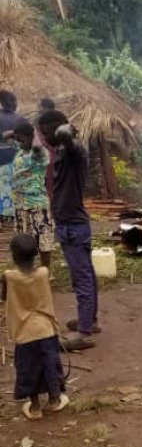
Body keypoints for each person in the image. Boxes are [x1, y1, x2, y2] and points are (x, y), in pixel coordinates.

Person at [37, 108, 99, 349]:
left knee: (81, 277)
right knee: (86, 275)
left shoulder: (74, 150)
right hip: (69, 224)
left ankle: (84, 333)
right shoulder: (64, 151)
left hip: (73, 225)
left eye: (45, 132)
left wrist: (64, 129)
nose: (43, 137)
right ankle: (90, 321)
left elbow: (65, 136)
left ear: (57, 129)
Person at [1, 232, 69, 420]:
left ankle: (35, 408)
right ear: (35, 255)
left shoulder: (8, 277)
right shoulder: (44, 273)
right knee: (50, 365)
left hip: (24, 333)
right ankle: (55, 400)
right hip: (46, 329)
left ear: (13, 256)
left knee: (28, 368)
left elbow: (4, 297)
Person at [8, 121, 53, 267]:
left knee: (43, 239)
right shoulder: (21, 152)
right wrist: (15, 135)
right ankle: (27, 270)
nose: (19, 143)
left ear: (31, 137)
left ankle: (46, 272)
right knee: (24, 241)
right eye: (17, 140)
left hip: (37, 204)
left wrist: (33, 134)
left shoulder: (39, 154)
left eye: (22, 139)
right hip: (20, 204)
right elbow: (8, 138)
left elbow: (37, 147)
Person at [0, 89, 26, 223]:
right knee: (13, 186)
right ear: (14, 103)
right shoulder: (21, 120)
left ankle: (4, 215)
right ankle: (11, 215)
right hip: (17, 159)